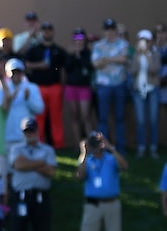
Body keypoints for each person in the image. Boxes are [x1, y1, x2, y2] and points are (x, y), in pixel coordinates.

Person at [6, 118, 56, 231]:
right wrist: (40, 163)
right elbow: (18, 165)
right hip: (21, 197)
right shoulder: (16, 149)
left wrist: (29, 163)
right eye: (27, 131)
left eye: (32, 130)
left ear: (37, 131)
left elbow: (51, 171)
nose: (30, 134)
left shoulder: (47, 149)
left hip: (40, 196)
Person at [76, 132, 128, 231]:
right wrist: (84, 153)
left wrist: (111, 147)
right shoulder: (87, 160)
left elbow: (124, 166)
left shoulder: (111, 159)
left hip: (112, 203)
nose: (96, 145)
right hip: (93, 204)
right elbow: (79, 175)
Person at [24, 21, 67, 149]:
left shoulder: (59, 50)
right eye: (44, 30)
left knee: (56, 118)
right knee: (39, 118)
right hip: (39, 87)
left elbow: (66, 68)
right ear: (41, 32)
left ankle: (59, 144)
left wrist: (62, 86)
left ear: (53, 32)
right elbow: (25, 64)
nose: (47, 32)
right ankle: (39, 143)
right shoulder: (34, 49)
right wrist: (39, 65)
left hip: (55, 87)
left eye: (49, 30)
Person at [92, 18, 130, 153]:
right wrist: (114, 59)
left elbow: (124, 59)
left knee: (120, 117)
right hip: (103, 85)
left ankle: (120, 147)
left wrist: (106, 59)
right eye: (107, 30)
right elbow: (96, 64)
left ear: (115, 30)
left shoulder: (123, 44)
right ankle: (103, 147)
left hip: (119, 84)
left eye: (112, 29)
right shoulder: (98, 45)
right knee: (103, 118)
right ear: (104, 31)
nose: (110, 32)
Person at [129, 29, 161, 158]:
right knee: (141, 120)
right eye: (141, 40)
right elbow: (132, 71)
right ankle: (141, 147)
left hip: (153, 89)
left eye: (146, 40)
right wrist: (138, 55)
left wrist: (147, 56)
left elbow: (155, 69)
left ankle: (153, 147)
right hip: (138, 90)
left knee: (153, 119)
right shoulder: (136, 55)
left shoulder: (155, 54)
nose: (144, 43)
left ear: (150, 41)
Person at [64, 29, 95, 146]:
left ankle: (92, 144)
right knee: (74, 115)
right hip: (71, 86)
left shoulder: (88, 53)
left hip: (84, 87)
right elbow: (67, 68)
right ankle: (79, 144)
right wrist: (73, 55)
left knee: (86, 115)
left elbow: (89, 66)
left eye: (81, 38)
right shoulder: (69, 53)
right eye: (76, 38)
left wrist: (79, 55)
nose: (79, 41)